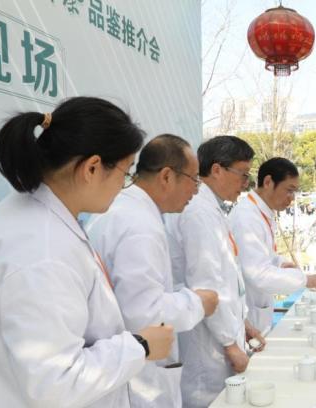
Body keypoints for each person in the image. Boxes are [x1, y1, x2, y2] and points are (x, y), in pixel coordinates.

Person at [0, 97, 174, 407]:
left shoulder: (33, 214)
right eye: (125, 173)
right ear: (92, 168)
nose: (124, 185)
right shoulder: (42, 250)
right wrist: (140, 346)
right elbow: (55, 383)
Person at [86, 134, 220, 407]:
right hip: (137, 380)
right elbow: (144, 313)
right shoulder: (139, 225)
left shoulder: (123, 209)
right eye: (194, 179)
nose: (196, 190)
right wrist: (198, 303)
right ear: (167, 176)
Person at [166, 135, 266, 408]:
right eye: (242, 174)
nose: (245, 183)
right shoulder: (198, 212)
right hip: (208, 341)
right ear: (217, 169)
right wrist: (230, 344)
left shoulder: (213, 209)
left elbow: (227, 278)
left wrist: (242, 324)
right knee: (209, 399)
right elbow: (206, 285)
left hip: (223, 331)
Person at [229, 157, 316, 331]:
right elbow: (258, 273)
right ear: (268, 182)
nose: (291, 198)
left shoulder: (261, 212)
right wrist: (307, 280)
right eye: (289, 190)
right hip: (247, 312)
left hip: (258, 309)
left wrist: (280, 263)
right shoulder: (246, 217)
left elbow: (264, 255)